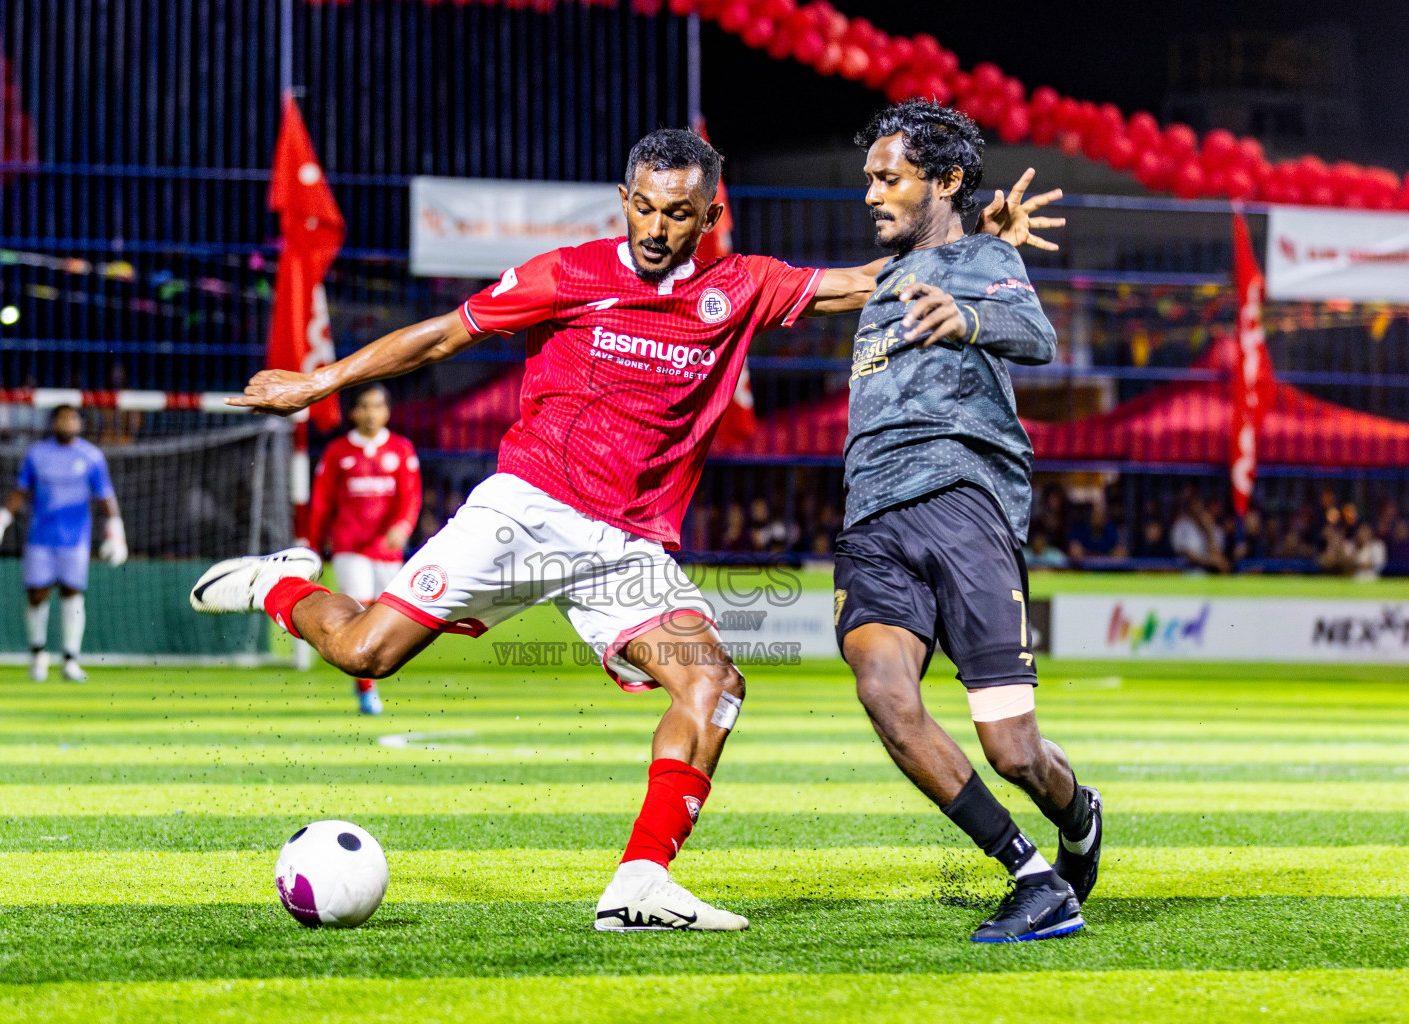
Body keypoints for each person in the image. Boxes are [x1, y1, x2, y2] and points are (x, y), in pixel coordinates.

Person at [192, 127, 1056, 932]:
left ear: (710, 216)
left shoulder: (740, 285)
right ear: (625, 196)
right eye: (643, 205)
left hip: (629, 547)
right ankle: (281, 583)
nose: (655, 226)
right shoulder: (565, 273)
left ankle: (640, 882)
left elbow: (873, 281)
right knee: (364, 653)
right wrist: (320, 382)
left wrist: (981, 239)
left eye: (678, 213)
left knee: (712, 685)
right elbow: (440, 339)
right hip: (526, 510)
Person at [833, 100, 1098, 944]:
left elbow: (1035, 333)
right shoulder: (877, 283)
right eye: (869, 177)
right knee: (883, 691)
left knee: (1014, 753)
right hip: (871, 515)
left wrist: (971, 313)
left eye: (889, 177)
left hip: (964, 503)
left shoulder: (984, 255)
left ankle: (1077, 811)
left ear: (943, 180)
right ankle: (1030, 873)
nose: (871, 193)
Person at [0, 405, 127, 682]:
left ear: (80, 423)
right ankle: (38, 656)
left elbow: (106, 497)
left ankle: (70, 660)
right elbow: (20, 491)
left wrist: (116, 532)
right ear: (53, 423)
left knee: (73, 594)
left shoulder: (91, 456)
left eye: (73, 417)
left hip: (75, 541)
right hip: (40, 539)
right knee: (37, 594)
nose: (68, 422)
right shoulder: (37, 454)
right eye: (62, 417)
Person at [307, 385, 422, 715]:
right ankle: (367, 689)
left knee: (387, 615)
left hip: (386, 551)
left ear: (386, 411)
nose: (371, 413)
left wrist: (403, 526)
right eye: (364, 407)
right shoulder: (337, 452)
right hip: (350, 547)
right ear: (353, 413)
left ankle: (373, 674)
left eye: (377, 406)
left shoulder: (401, 449)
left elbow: (411, 496)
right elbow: (321, 503)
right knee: (360, 612)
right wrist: (314, 546)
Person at [1170, 495, 1230, 573]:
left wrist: (1208, 531)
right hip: (1187, 568)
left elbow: (1217, 552)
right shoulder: (1182, 525)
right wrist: (1210, 561)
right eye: (1194, 505)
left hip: (1208, 568)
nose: (1196, 508)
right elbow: (1187, 554)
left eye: (1198, 505)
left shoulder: (1210, 527)